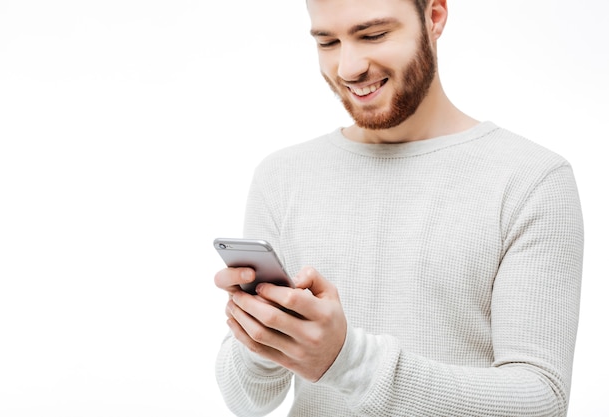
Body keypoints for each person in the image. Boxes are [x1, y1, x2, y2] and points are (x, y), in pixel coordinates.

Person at [213, 0, 584, 415]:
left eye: (373, 35)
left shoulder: (530, 178)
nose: (348, 68)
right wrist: (268, 332)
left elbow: (541, 402)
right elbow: (246, 400)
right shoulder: (282, 176)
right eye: (328, 41)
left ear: (435, 17)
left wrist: (348, 360)